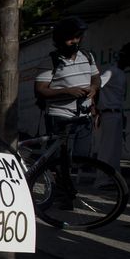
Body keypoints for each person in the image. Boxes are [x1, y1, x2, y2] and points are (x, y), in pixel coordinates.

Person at [34, 16, 101, 156]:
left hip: (84, 117)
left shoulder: (87, 56)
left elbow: (96, 78)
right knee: (59, 159)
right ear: (59, 40)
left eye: (78, 37)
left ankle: (70, 178)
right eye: (70, 38)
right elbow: (40, 90)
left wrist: (94, 88)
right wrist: (67, 92)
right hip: (60, 117)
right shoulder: (50, 62)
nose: (75, 41)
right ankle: (59, 177)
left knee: (81, 156)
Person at [95, 41, 130, 174]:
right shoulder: (112, 71)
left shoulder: (121, 73)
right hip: (109, 114)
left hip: (117, 114)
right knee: (107, 149)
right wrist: (96, 109)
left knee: (115, 150)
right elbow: (97, 86)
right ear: (127, 56)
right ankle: (102, 180)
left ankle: (112, 178)